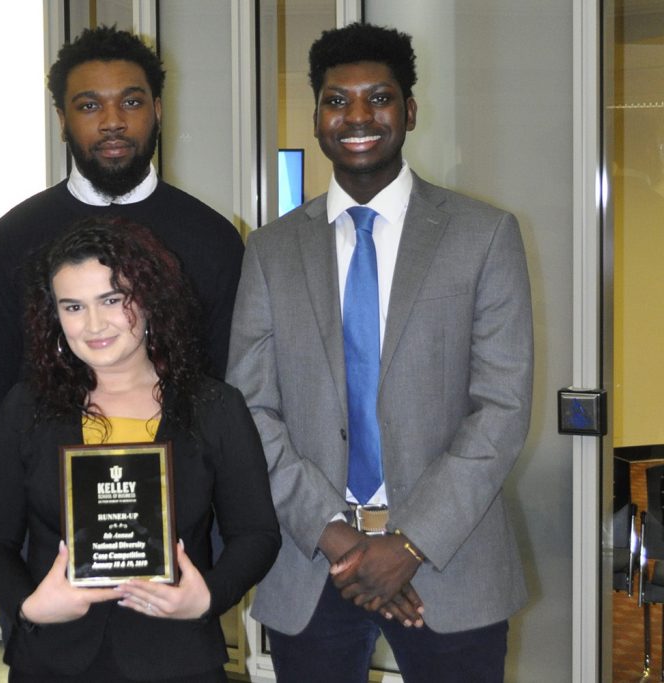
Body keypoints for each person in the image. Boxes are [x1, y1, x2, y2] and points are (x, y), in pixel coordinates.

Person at [226, 22, 533, 683]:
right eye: (337, 100)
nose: (358, 116)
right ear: (316, 117)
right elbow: (250, 409)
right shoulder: (272, 251)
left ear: (410, 110)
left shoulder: (482, 237)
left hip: (451, 563)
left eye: (379, 97)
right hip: (312, 563)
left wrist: (410, 541)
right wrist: (338, 536)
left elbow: (501, 409)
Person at [0, 217, 279, 682]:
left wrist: (207, 597)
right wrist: (30, 605)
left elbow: (256, 534)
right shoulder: (27, 407)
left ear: (149, 299)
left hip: (177, 660)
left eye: (111, 300)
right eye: (72, 306)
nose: (93, 324)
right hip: (52, 661)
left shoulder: (213, 407)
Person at [0, 25, 244, 432]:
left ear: (158, 111)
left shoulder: (213, 239)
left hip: (185, 483)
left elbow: (230, 383)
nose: (113, 122)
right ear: (62, 120)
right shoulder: (11, 241)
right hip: (48, 484)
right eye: (90, 106)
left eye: (131, 102)